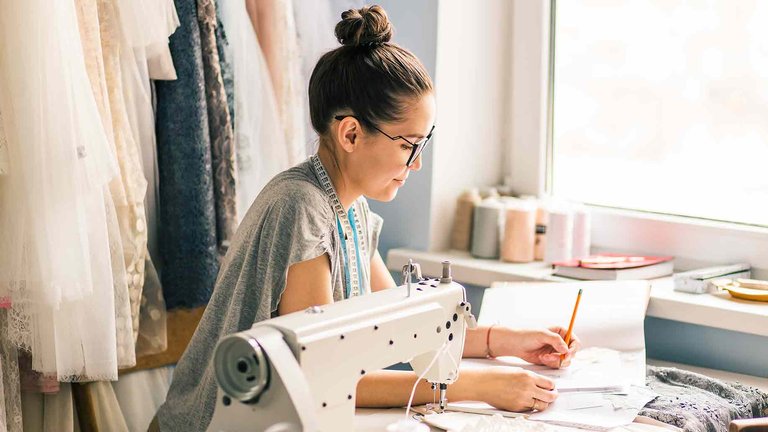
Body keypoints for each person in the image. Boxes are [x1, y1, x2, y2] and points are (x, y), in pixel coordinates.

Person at [153, 5, 581, 431]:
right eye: (407, 145)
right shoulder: (301, 208)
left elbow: (409, 328)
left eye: (422, 144)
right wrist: (475, 387)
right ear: (351, 134)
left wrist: (509, 342)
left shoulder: (352, 209)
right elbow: (323, 377)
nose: (415, 164)